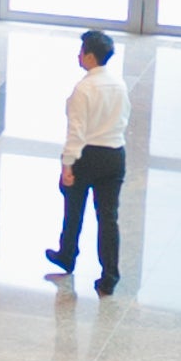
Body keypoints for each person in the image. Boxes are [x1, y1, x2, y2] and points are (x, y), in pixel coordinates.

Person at [51, 27, 128, 296]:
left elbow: (76, 131)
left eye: (82, 51)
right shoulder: (119, 84)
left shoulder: (83, 89)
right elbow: (124, 118)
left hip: (87, 155)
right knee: (108, 216)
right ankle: (109, 275)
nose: (79, 55)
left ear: (91, 56)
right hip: (115, 154)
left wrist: (67, 164)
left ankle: (67, 255)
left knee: (74, 209)